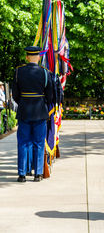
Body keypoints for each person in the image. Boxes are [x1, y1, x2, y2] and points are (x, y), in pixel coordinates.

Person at [12, 46, 53, 182]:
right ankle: (38, 174)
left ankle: (22, 174)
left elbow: (15, 95)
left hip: (24, 111)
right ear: (39, 57)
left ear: (27, 57)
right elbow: (50, 96)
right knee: (39, 143)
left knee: (23, 143)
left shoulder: (19, 72)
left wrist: (24, 101)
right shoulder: (45, 73)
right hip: (40, 111)